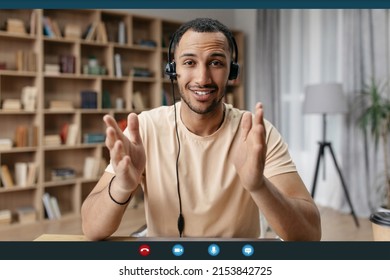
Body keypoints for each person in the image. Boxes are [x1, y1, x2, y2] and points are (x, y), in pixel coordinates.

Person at [81, 18, 321, 241]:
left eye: (216, 63)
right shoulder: (144, 129)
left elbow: (310, 234)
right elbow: (91, 229)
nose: (203, 77)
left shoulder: (257, 134)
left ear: (232, 72)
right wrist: (121, 187)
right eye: (189, 62)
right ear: (173, 70)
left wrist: (259, 186)